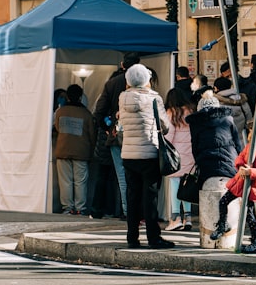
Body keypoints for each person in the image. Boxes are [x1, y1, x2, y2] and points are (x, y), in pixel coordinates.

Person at [118, 63, 174, 249]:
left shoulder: (122, 98)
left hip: (128, 154)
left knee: (132, 196)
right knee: (150, 198)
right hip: (149, 152)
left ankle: (132, 237)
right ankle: (154, 237)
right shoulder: (154, 99)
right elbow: (165, 126)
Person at [210, 118, 256, 254]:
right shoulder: (251, 145)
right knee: (223, 201)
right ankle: (223, 225)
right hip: (240, 182)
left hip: (251, 186)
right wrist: (241, 166)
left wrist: (251, 172)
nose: (249, 133)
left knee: (249, 215)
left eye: (252, 130)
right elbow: (240, 157)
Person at [93, 51, 141, 219]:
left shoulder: (112, 84)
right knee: (137, 173)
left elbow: (99, 112)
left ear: (122, 65)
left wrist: (107, 127)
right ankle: (137, 211)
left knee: (121, 174)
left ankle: (127, 211)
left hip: (117, 134)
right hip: (139, 134)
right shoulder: (144, 85)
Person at [53, 84, 96, 216]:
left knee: (65, 181)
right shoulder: (86, 114)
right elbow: (92, 135)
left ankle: (67, 208)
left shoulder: (60, 112)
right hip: (81, 152)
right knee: (80, 182)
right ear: (80, 96)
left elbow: (57, 128)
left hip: (63, 150)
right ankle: (80, 208)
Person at [186, 90, 243, 186]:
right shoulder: (227, 119)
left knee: (207, 196)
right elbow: (237, 144)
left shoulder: (196, 123)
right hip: (230, 163)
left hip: (206, 165)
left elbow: (194, 147)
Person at [163, 88, 197, 232]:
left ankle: (175, 218)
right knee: (186, 184)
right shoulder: (191, 111)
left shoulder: (172, 113)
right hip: (190, 153)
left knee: (174, 184)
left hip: (176, 155)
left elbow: (168, 136)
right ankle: (187, 218)